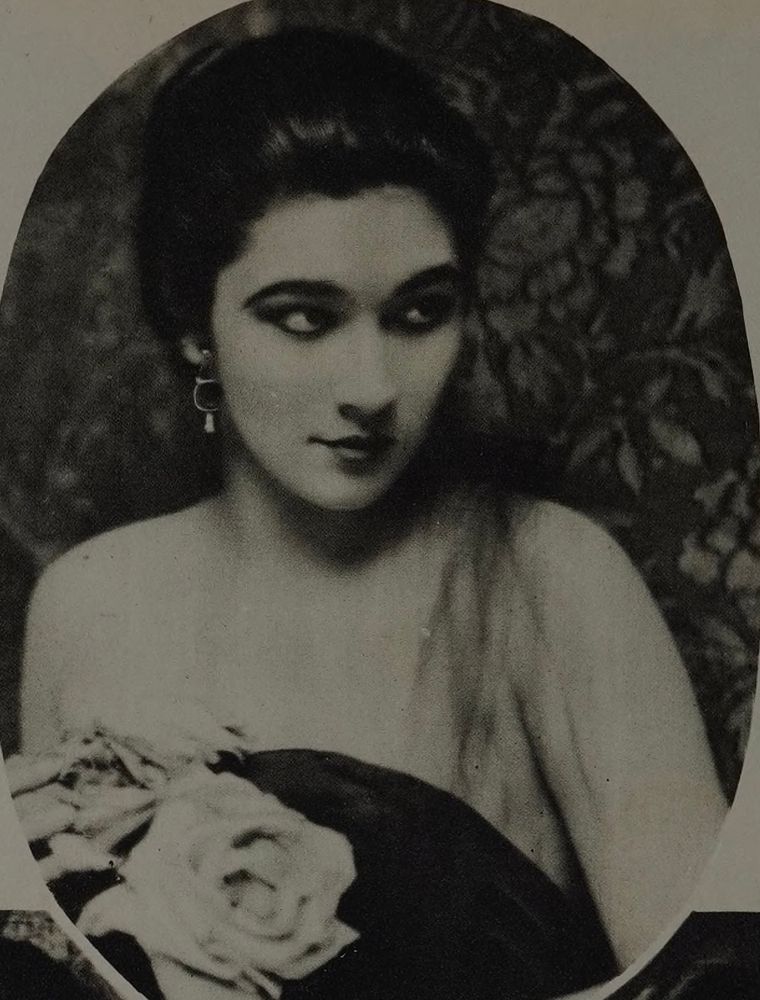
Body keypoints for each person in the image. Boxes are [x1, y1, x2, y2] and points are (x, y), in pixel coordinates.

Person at [11, 26, 727, 998]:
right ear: (193, 327)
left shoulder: (555, 574)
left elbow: (705, 977)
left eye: (420, 312)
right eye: (305, 318)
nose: (372, 386)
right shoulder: (88, 601)